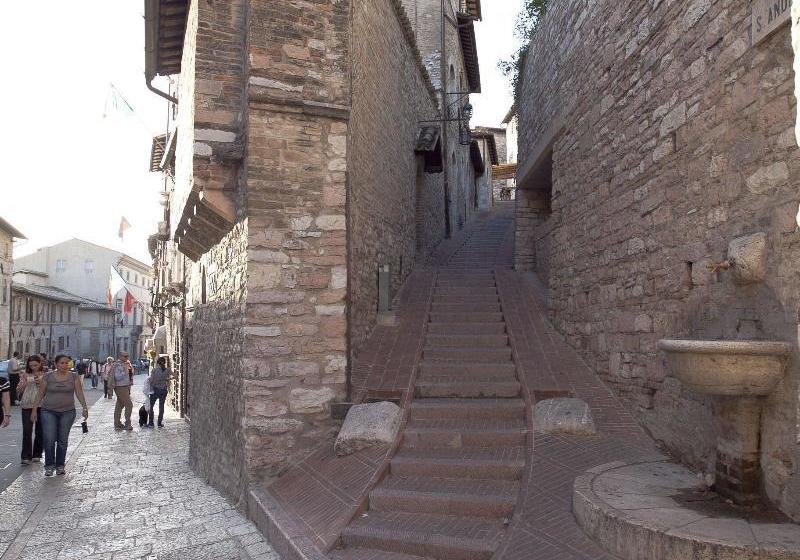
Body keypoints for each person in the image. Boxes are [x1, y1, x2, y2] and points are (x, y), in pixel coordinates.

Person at [31, 355, 88, 476]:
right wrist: (34, 410)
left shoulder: (74, 376)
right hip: (48, 411)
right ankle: (49, 466)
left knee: (63, 440)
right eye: (62, 363)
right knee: (49, 439)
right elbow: (40, 394)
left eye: (67, 363)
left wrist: (84, 407)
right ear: (56, 364)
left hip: (67, 412)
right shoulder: (48, 376)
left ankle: (60, 466)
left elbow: (79, 392)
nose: (65, 365)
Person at [17, 356, 44, 464]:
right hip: (27, 404)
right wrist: (24, 383)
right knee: (27, 431)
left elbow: (49, 389)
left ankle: (37, 454)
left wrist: (40, 382)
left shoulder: (46, 374)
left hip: (42, 404)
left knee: (40, 430)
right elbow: (18, 390)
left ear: (40, 364)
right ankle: (26, 456)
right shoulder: (25, 374)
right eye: (31, 365)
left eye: (35, 365)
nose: (33, 367)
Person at [107, 351, 134, 431]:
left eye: (127, 356)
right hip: (120, 387)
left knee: (119, 405)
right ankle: (127, 424)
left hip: (125, 386)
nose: (127, 358)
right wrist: (125, 371)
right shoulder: (118, 365)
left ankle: (117, 424)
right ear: (120, 356)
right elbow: (117, 377)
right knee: (129, 405)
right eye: (125, 356)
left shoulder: (124, 364)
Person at [148, 357, 173, 428]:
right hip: (163, 390)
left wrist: (149, 382)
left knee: (151, 406)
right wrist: (167, 379)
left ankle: (151, 423)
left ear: (157, 363)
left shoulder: (154, 370)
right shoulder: (168, 370)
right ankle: (159, 423)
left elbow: (151, 380)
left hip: (155, 390)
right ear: (164, 362)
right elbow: (176, 376)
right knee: (161, 407)